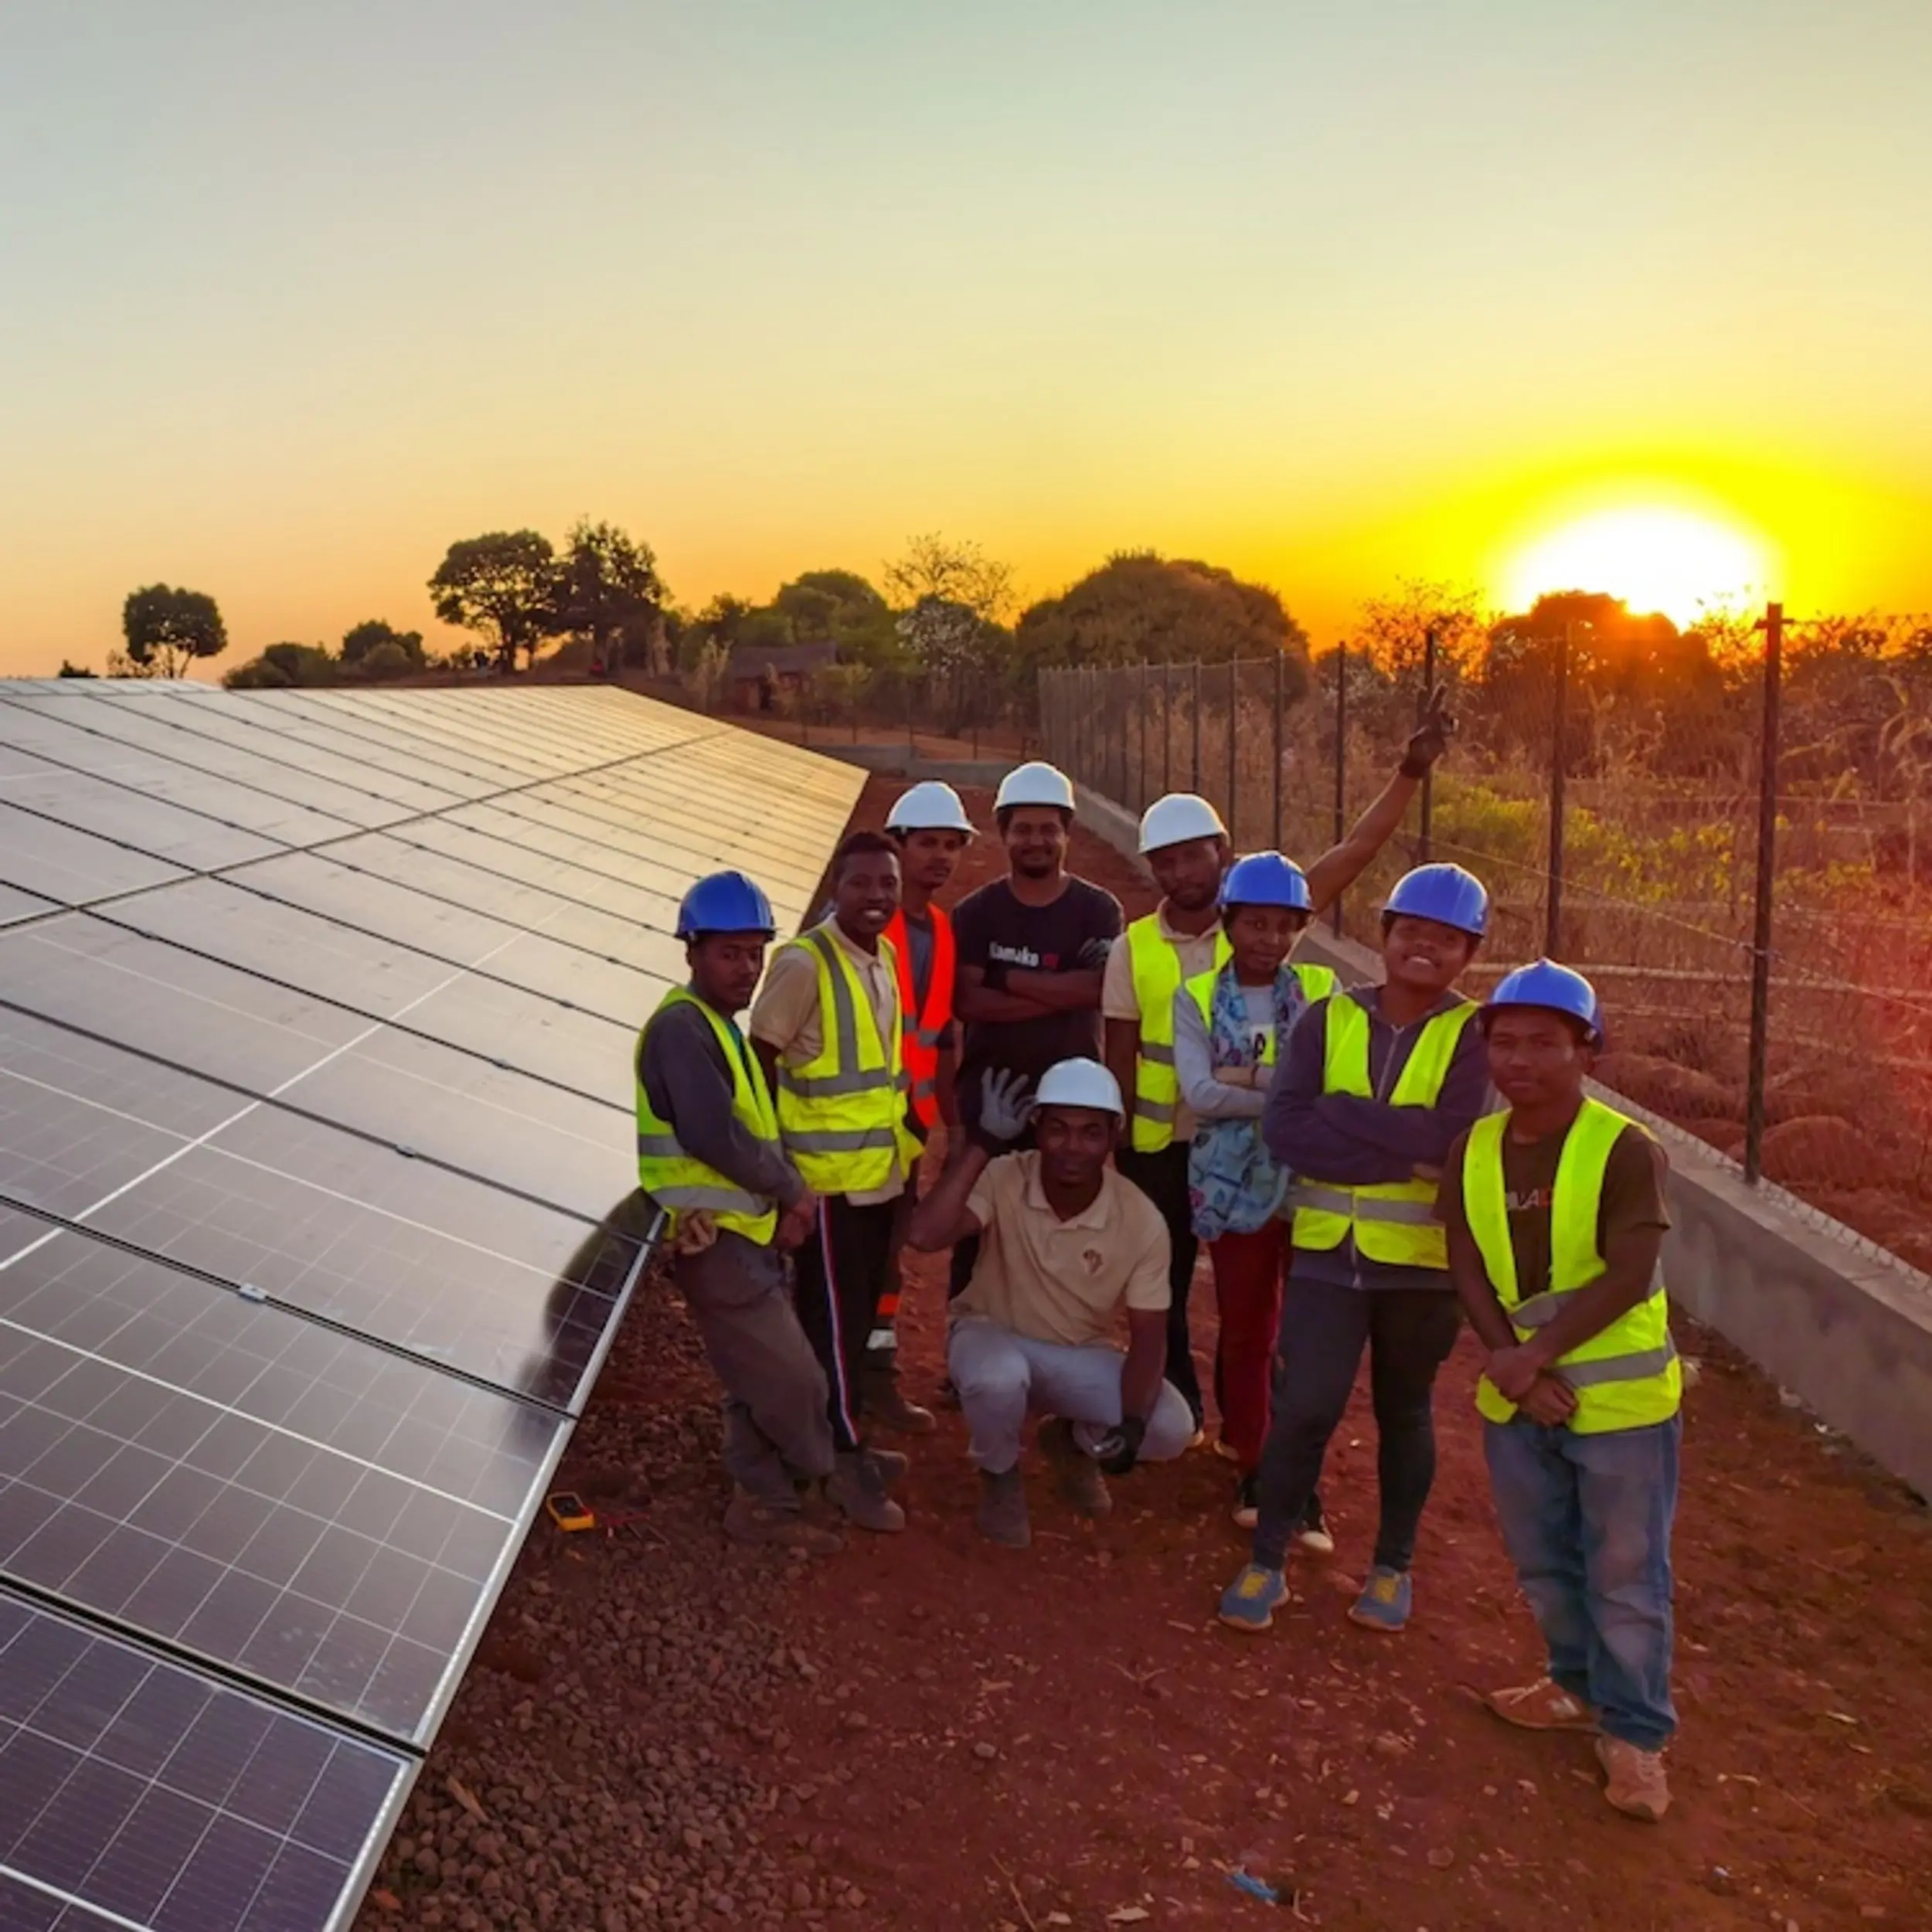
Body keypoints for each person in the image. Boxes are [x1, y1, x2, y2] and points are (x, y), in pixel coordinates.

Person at [1104, 686, 1457, 1437]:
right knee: (1161, 1286)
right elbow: (1122, 1046)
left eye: (1190, 854)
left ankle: (1253, 1437)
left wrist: (1407, 773)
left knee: (1260, 1308)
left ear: (1220, 855)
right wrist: (1122, 1143)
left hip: (1267, 1152)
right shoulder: (1134, 944)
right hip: (1163, 1145)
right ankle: (1178, 1414)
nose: (1178, 870)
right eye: (1162, 860)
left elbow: (1357, 850)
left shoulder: (1265, 914)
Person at [1218, 862, 1492, 1636]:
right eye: (1410, 932)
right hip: (1326, 1254)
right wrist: (1407, 1157)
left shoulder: (1473, 1034)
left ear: (1468, 954)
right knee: (1304, 1407)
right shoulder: (1327, 1019)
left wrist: (1348, 1114)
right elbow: (1285, 1128)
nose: (1423, 950)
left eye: (1445, 940)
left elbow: (1454, 1140)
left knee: (1405, 1412)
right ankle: (1266, 1559)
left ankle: (1390, 1567)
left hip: (1422, 1267)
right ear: (1384, 935)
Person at [1440, 961, 1681, 1822]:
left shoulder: (1624, 1149)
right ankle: (1572, 1686)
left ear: (1586, 1049)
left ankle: (1636, 1733)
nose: (1520, 1061)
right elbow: (1466, 1261)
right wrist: (1511, 1362)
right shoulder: (1473, 1148)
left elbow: (1629, 1272)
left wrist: (1530, 1357)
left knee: (1624, 1574)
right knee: (1545, 1560)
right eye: (1503, 1043)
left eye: (1544, 1043)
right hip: (1520, 1397)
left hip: (1615, 1406)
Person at [634, 870, 842, 1553]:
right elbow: (713, 1136)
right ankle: (777, 1497)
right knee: (791, 1380)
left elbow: (750, 1128)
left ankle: (766, 1487)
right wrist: (791, 1189)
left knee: (756, 1371)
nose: (746, 969)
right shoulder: (683, 1030)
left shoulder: (718, 1027)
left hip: (742, 1235)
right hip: (712, 1243)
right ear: (692, 951)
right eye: (730, 953)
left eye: (755, 953)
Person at [907, 1059, 1196, 1547]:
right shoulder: (1004, 1176)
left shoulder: (1141, 1219)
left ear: (1111, 1138)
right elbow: (923, 1235)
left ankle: (1070, 1443)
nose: (1072, 1148)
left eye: (1090, 1133)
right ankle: (1000, 1476)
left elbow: (1149, 1336)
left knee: (1169, 1427)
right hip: (990, 1334)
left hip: (1078, 1355)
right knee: (996, 1378)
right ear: (1037, 1128)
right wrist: (982, 1145)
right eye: (1058, 1129)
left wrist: (1129, 1424)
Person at [750, 830, 916, 1534]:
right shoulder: (803, 964)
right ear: (834, 889)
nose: (877, 897)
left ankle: (837, 1433)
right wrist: (781, 1183)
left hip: (873, 1180)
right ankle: (838, 1457)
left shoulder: (879, 958)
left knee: (850, 1322)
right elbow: (759, 1066)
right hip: (822, 1191)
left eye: (888, 884)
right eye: (862, 884)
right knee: (826, 1325)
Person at [1173, 852, 1338, 1536]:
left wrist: (1244, 1080)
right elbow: (1199, 1092)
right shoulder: (1197, 996)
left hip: (1309, 1184)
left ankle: (1299, 1473)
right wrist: (1285, 1092)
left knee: (1305, 1335)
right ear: (1230, 924)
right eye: (1257, 924)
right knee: (1248, 1330)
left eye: (1285, 926)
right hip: (1230, 1188)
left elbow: (1327, 1090)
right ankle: (1254, 1460)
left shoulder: (1325, 997)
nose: (1270, 939)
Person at [948, 761, 1123, 1301]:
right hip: (990, 1094)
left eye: (1049, 828)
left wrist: (1011, 978)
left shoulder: (1098, 910)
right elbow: (967, 1002)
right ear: (1003, 834)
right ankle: (967, 1339)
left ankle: (1052, 1341)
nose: (1036, 840)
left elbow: (1097, 991)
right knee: (976, 1222)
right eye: (1023, 828)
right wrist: (1056, 987)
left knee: (1060, 1224)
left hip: (1069, 1102)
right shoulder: (976, 913)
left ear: (1067, 833)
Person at [861, 780, 976, 1431]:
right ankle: (839, 1381)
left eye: (951, 845)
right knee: (848, 1261)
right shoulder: (859, 926)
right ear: (897, 845)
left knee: (887, 1259)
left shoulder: (940, 928)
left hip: (906, 1131)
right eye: (928, 843)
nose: (941, 857)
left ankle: (875, 1375)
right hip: (848, 1134)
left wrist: (953, 1127)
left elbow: (944, 1034)